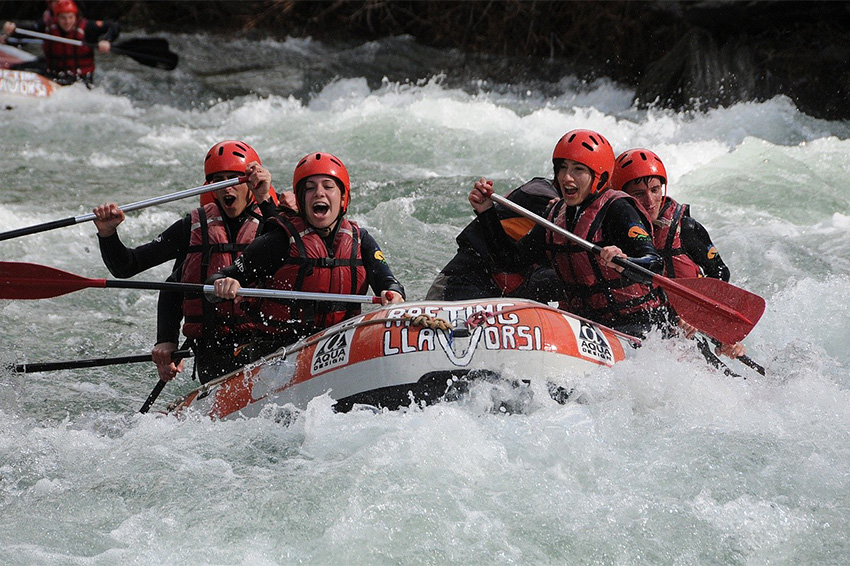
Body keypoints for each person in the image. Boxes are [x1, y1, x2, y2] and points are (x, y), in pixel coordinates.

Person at [92, 140, 292, 384]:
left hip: (267, 346)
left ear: (249, 183)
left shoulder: (275, 222)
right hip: (213, 354)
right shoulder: (193, 227)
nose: (227, 189)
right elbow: (129, 267)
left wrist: (267, 200)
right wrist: (107, 234)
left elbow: (292, 253)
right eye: (219, 180)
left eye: (233, 179)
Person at [468, 129, 667, 337]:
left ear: (600, 176)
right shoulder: (556, 215)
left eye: (578, 170)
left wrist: (625, 261)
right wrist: (486, 212)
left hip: (639, 326)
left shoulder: (618, 208)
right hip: (589, 327)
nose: (566, 177)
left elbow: (653, 264)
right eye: (562, 168)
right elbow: (509, 262)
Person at [210, 151, 405, 357]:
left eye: (328, 187)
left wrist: (393, 294)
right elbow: (221, 277)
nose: (319, 193)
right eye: (310, 189)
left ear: (342, 199)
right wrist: (224, 283)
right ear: (301, 201)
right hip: (278, 352)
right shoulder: (279, 241)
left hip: (339, 346)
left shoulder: (360, 240)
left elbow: (389, 282)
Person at [611, 147, 745, 359]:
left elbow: (719, 273)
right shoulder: (611, 230)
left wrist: (704, 321)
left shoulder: (686, 228)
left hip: (688, 330)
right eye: (639, 194)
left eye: (655, 190)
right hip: (640, 328)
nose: (650, 200)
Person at [426, 177, 564, 302]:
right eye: (565, 169)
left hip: (507, 299)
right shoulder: (540, 196)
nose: (569, 177)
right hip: (461, 284)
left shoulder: (575, 215)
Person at [2, 0, 120, 85]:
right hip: (54, 74)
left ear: (75, 17)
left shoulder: (88, 27)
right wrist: (13, 29)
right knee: (17, 68)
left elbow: (114, 26)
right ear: (57, 18)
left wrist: (106, 40)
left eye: (70, 17)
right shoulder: (48, 26)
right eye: (63, 18)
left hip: (80, 80)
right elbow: (28, 31)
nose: (67, 21)